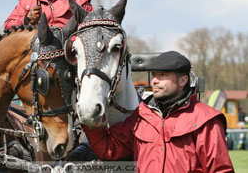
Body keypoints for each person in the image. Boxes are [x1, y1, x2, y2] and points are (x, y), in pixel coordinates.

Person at [83, 51, 234, 172]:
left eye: (162, 75)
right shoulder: (141, 117)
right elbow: (109, 148)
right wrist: (86, 115)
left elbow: (220, 170)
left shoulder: (206, 120)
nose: (154, 80)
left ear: (183, 81)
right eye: (154, 75)